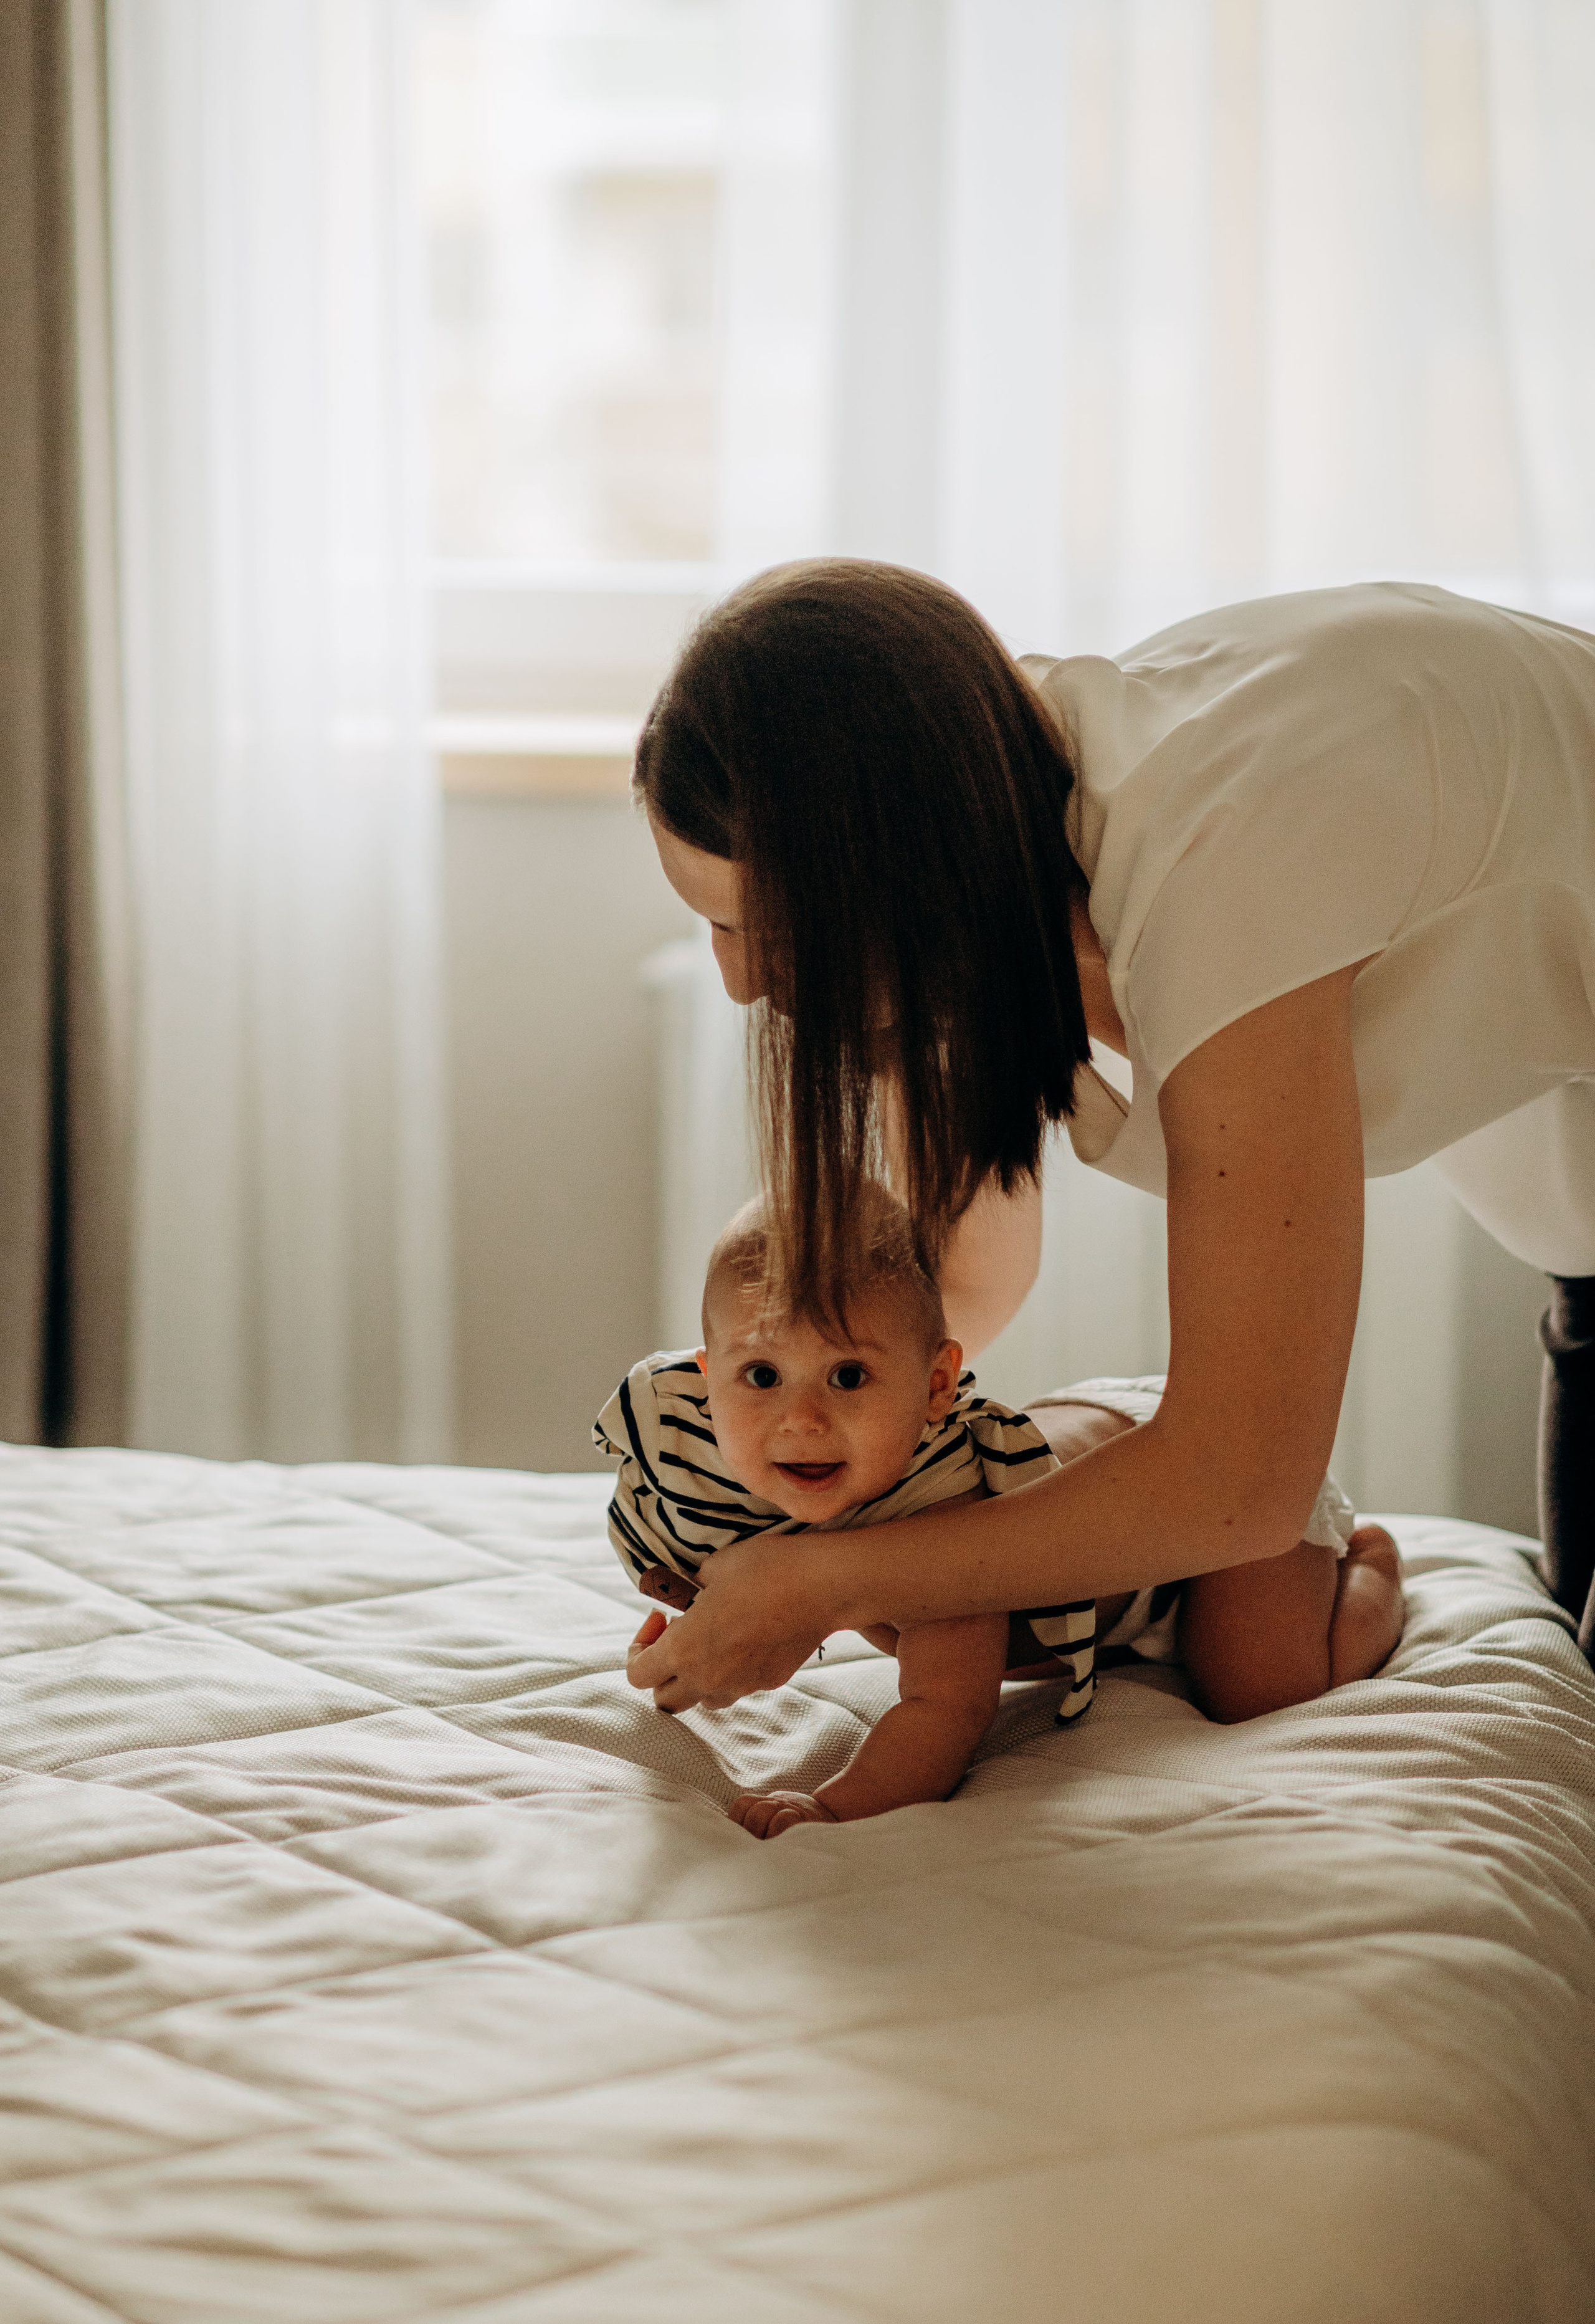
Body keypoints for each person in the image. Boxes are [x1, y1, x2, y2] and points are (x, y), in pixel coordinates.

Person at [624, 561, 1595, 1714]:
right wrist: (805, 1467)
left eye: (765, 932)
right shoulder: (982, 830)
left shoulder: (1223, 860)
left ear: (899, 882)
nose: (743, 986)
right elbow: (956, 1283)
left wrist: (820, 1582)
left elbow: (1243, 1482)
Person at [596, 1192, 1402, 1834]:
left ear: (939, 1385)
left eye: (847, 1377)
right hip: (1090, 1442)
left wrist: (836, 1806)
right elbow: (733, 1592)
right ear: (707, 1380)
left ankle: (1368, 1562)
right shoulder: (751, 1477)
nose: (800, 1419)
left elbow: (945, 1708)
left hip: (1211, 1497)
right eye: (762, 1375)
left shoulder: (944, 1516)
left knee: (1263, 1687)